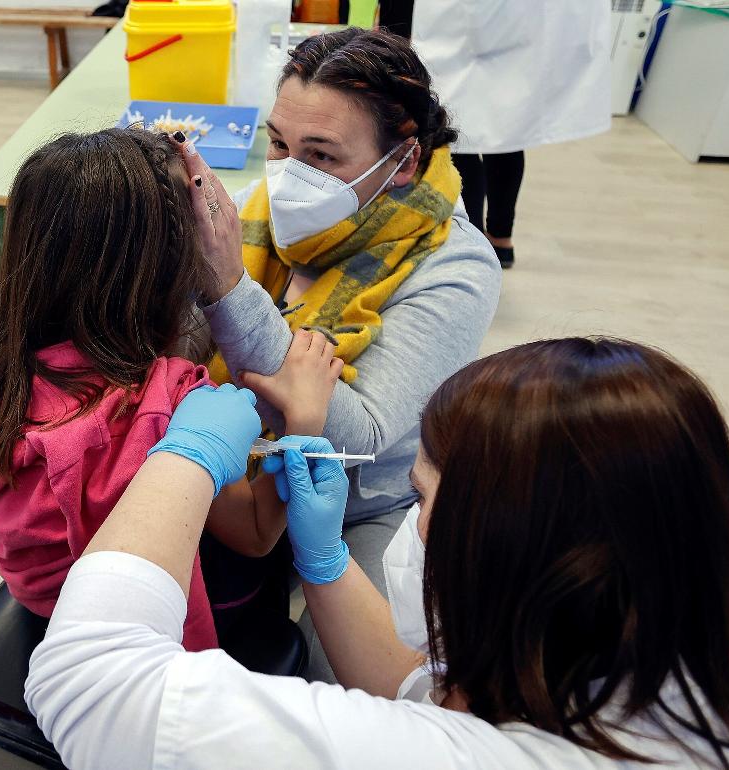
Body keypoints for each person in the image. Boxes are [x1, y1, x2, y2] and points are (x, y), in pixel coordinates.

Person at [25, 338, 729, 769]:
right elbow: (422, 691)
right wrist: (326, 560)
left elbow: (87, 679)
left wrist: (187, 455)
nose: (414, 519)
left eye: (425, 499)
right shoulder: (662, 666)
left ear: (503, 549)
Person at [0, 129, 342, 652]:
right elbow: (256, 534)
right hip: (157, 626)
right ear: (169, 271)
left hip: (45, 605)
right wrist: (304, 423)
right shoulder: (170, 406)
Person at [173, 27, 501, 680]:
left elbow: (364, 433)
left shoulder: (455, 266)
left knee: (356, 685)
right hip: (239, 470)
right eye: (279, 144)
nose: (289, 174)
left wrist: (230, 291)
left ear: (403, 162)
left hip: (362, 502)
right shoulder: (258, 216)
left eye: (322, 156)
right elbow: (178, 343)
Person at [407, 1, 612, 268]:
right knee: (505, 131)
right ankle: (500, 239)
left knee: (460, 136)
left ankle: (473, 238)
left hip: (458, 27)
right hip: (516, 27)